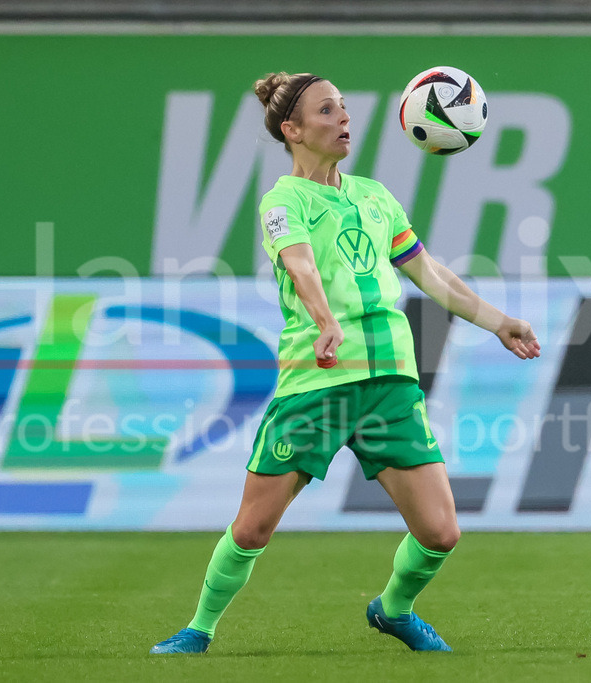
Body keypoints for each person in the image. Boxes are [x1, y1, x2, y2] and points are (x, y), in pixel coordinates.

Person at [151, 72, 540, 655]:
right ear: (293, 129)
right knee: (254, 526)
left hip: (389, 381)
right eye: (327, 110)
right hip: (318, 379)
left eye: (344, 109)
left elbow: (427, 272)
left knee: (440, 532)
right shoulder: (283, 201)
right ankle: (198, 629)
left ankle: (394, 610)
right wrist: (325, 319)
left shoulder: (376, 196)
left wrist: (496, 320)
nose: (343, 119)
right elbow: (301, 265)